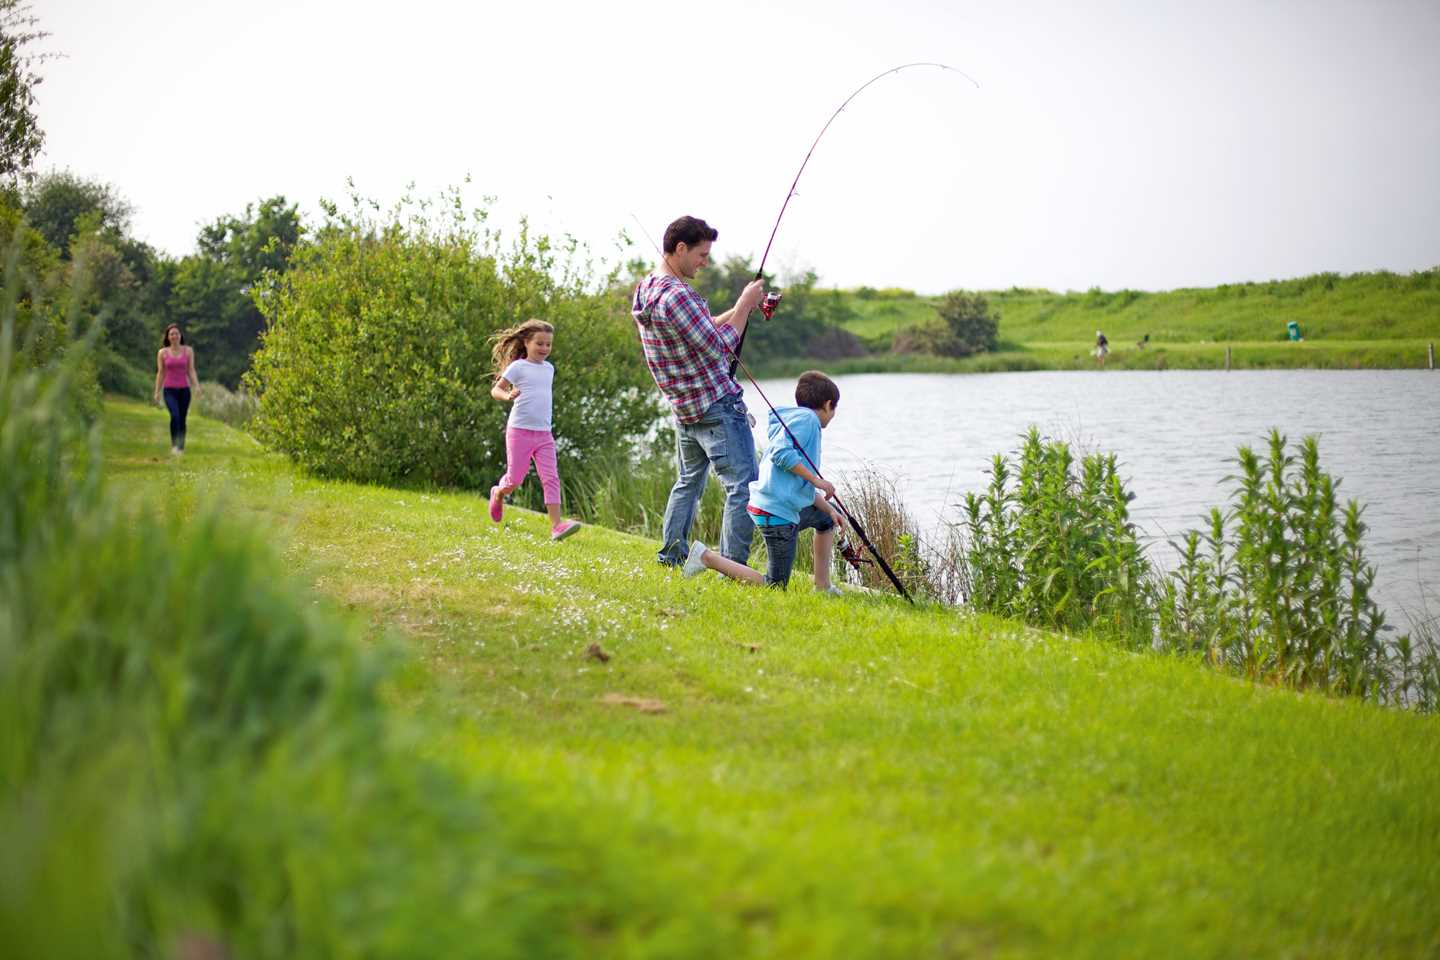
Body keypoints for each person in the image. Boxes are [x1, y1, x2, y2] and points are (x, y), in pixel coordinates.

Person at [632, 215, 767, 567]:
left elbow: (697, 330)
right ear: (680, 248)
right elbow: (720, 345)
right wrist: (744, 304)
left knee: (689, 481)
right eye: (702, 254)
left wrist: (740, 310)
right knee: (743, 486)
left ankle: (671, 554)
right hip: (716, 406)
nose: (705, 262)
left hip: (684, 409)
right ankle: (733, 566)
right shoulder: (678, 295)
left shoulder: (647, 289)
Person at [683, 371, 846, 594]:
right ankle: (706, 557)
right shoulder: (808, 421)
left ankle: (822, 586)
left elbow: (795, 484)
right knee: (775, 586)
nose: (833, 414)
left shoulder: (795, 420)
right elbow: (781, 454)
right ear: (828, 405)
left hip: (776, 505)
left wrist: (829, 509)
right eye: (835, 409)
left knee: (827, 519)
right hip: (776, 513)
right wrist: (818, 480)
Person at [487, 318, 582, 541]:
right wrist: (507, 395)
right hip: (519, 431)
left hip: (544, 434)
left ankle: (557, 526)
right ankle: (498, 492)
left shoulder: (549, 368)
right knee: (515, 480)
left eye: (548, 344)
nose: (544, 348)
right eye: (539, 343)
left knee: (551, 477)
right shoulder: (518, 367)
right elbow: (496, 390)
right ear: (526, 343)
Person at [153, 323, 199, 454]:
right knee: (175, 415)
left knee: (182, 418)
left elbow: (191, 370)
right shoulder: (162, 353)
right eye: (171, 334)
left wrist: (196, 387)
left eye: (176, 333)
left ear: (180, 335)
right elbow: (161, 372)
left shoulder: (188, 351)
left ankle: (181, 447)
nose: (174, 336)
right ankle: (174, 446)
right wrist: (157, 391)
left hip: (184, 390)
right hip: (169, 390)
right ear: (168, 337)